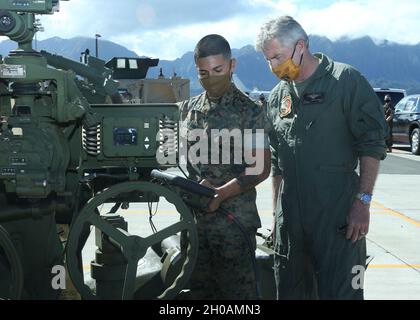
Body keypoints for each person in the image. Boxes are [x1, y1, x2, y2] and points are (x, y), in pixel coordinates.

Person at [255, 16, 388, 300]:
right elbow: (278, 162)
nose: (273, 66)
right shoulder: (278, 97)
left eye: (277, 57)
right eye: (268, 60)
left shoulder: (345, 81)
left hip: (338, 216)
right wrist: (277, 216)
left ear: (300, 46)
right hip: (290, 222)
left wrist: (362, 202)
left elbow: (371, 145)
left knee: (343, 293)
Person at [178, 34, 271, 299]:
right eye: (203, 73)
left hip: (234, 228)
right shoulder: (188, 111)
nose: (211, 78)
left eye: (218, 70)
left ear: (232, 66)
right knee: (197, 295)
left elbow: (260, 167)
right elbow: (182, 160)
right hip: (195, 228)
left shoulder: (250, 112)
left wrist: (221, 194)